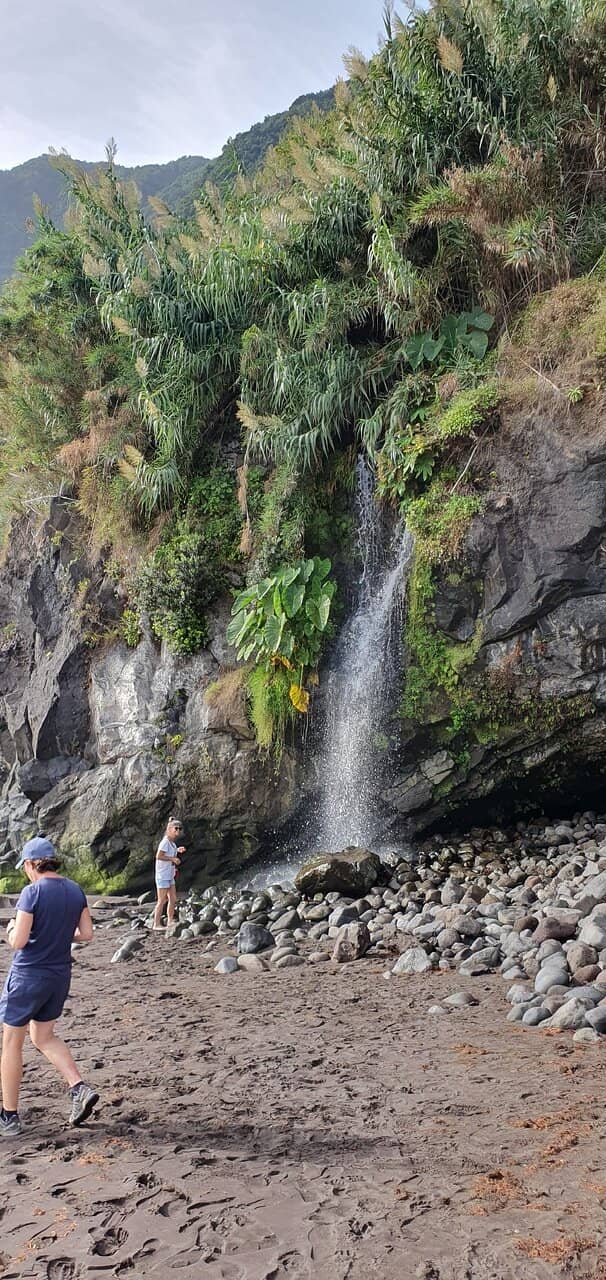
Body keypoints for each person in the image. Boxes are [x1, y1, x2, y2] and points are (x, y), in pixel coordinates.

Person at [0, 836, 99, 1139]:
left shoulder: (32, 892)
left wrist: (11, 929)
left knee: (11, 1044)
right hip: (59, 975)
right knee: (43, 1036)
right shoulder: (75, 890)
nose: (26, 872)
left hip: (29, 975)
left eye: (26, 867)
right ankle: (78, 1088)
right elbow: (86, 935)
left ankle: (9, 1116)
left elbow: (18, 942)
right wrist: (56, 933)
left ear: (32, 864)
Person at [152, 817, 185, 930]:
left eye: (180, 829)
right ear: (169, 829)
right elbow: (159, 856)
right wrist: (173, 859)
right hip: (162, 875)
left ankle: (170, 920)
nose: (178, 831)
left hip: (170, 874)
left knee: (173, 898)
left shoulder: (172, 843)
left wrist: (177, 851)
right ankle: (156, 924)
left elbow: (170, 852)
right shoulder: (165, 842)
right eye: (176, 828)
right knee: (162, 900)